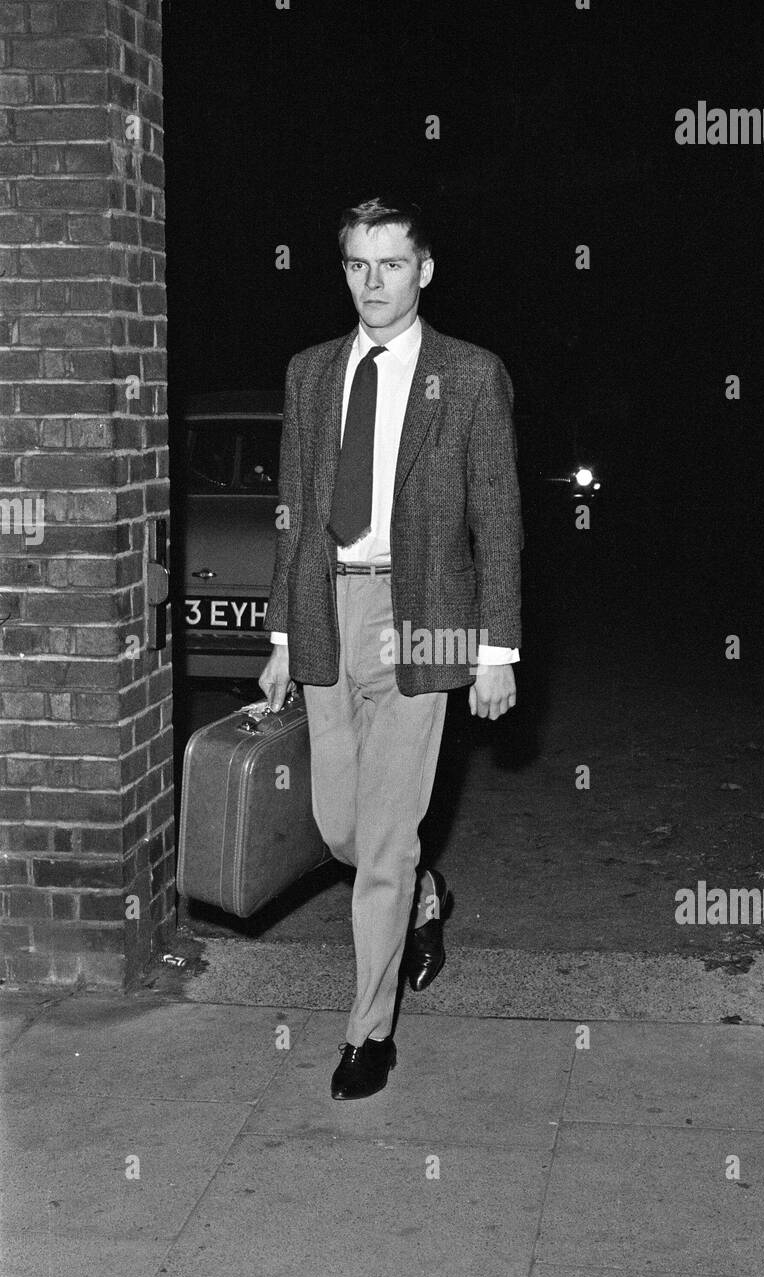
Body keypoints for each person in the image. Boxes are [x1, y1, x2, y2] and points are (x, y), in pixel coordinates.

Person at [259, 196, 523, 1099]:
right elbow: (293, 513)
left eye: (393, 265)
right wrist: (285, 634)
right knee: (340, 830)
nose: (374, 284)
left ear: (426, 270)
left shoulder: (472, 375)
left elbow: (498, 519)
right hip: (327, 610)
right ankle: (422, 892)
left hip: (424, 619)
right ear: (343, 272)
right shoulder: (309, 373)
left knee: (379, 846)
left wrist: (498, 650)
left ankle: (367, 1035)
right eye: (358, 266)